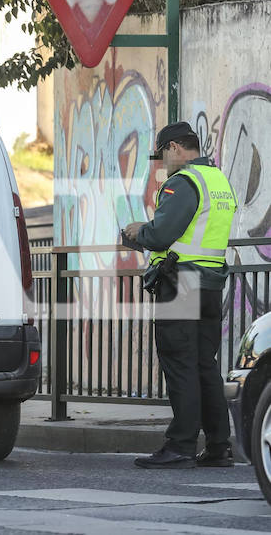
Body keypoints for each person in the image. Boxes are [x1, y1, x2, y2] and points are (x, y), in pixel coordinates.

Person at [123, 122, 237, 469]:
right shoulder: (218, 181)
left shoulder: (184, 181)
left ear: (174, 147)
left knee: (180, 363)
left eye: (162, 155)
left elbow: (162, 234)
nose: (161, 163)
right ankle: (219, 446)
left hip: (182, 283)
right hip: (210, 284)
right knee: (205, 365)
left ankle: (180, 445)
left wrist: (137, 231)